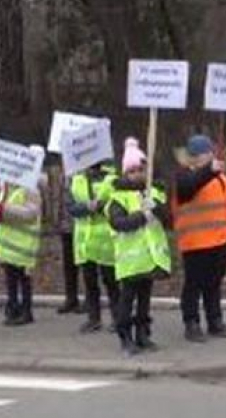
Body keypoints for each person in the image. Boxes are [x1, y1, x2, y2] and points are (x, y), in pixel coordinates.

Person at [173, 134, 226, 343]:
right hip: (195, 242)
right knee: (194, 284)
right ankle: (191, 322)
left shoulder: (219, 177)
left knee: (214, 283)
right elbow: (188, 188)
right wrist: (208, 172)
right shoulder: (184, 176)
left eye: (210, 152)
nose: (210, 156)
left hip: (220, 240)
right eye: (205, 153)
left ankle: (215, 320)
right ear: (193, 157)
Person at [107, 138, 171, 356]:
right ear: (125, 173)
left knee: (145, 300)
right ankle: (125, 337)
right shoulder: (117, 197)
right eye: (132, 170)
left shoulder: (154, 192)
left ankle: (143, 334)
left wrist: (157, 208)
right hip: (130, 261)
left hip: (150, 259)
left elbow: (169, 219)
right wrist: (141, 216)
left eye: (140, 169)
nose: (137, 174)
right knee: (127, 300)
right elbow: (118, 223)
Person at [0, 146, 46, 327]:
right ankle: (12, 306)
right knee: (11, 278)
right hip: (9, 243)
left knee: (24, 278)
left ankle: (26, 310)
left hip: (23, 243)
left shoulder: (31, 189)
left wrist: (6, 210)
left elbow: (30, 214)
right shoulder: (9, 186)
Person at [68, 158, 120, 333]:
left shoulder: (110, 178)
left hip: (105, 240)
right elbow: (71, 207)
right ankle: (93, 318)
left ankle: (117, 317)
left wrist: (99, 206)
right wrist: (86, 207)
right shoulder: (76, 179)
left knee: (111, 281)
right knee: (90, 282)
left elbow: (116, 203)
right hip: (84, 241)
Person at [57, 174, 85, 315]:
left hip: (82, 226)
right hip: (66, 225)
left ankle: (89, 299)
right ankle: (71, 297)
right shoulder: (65, 176)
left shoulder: (84, 175)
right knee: (69, 265)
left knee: (87, 265)